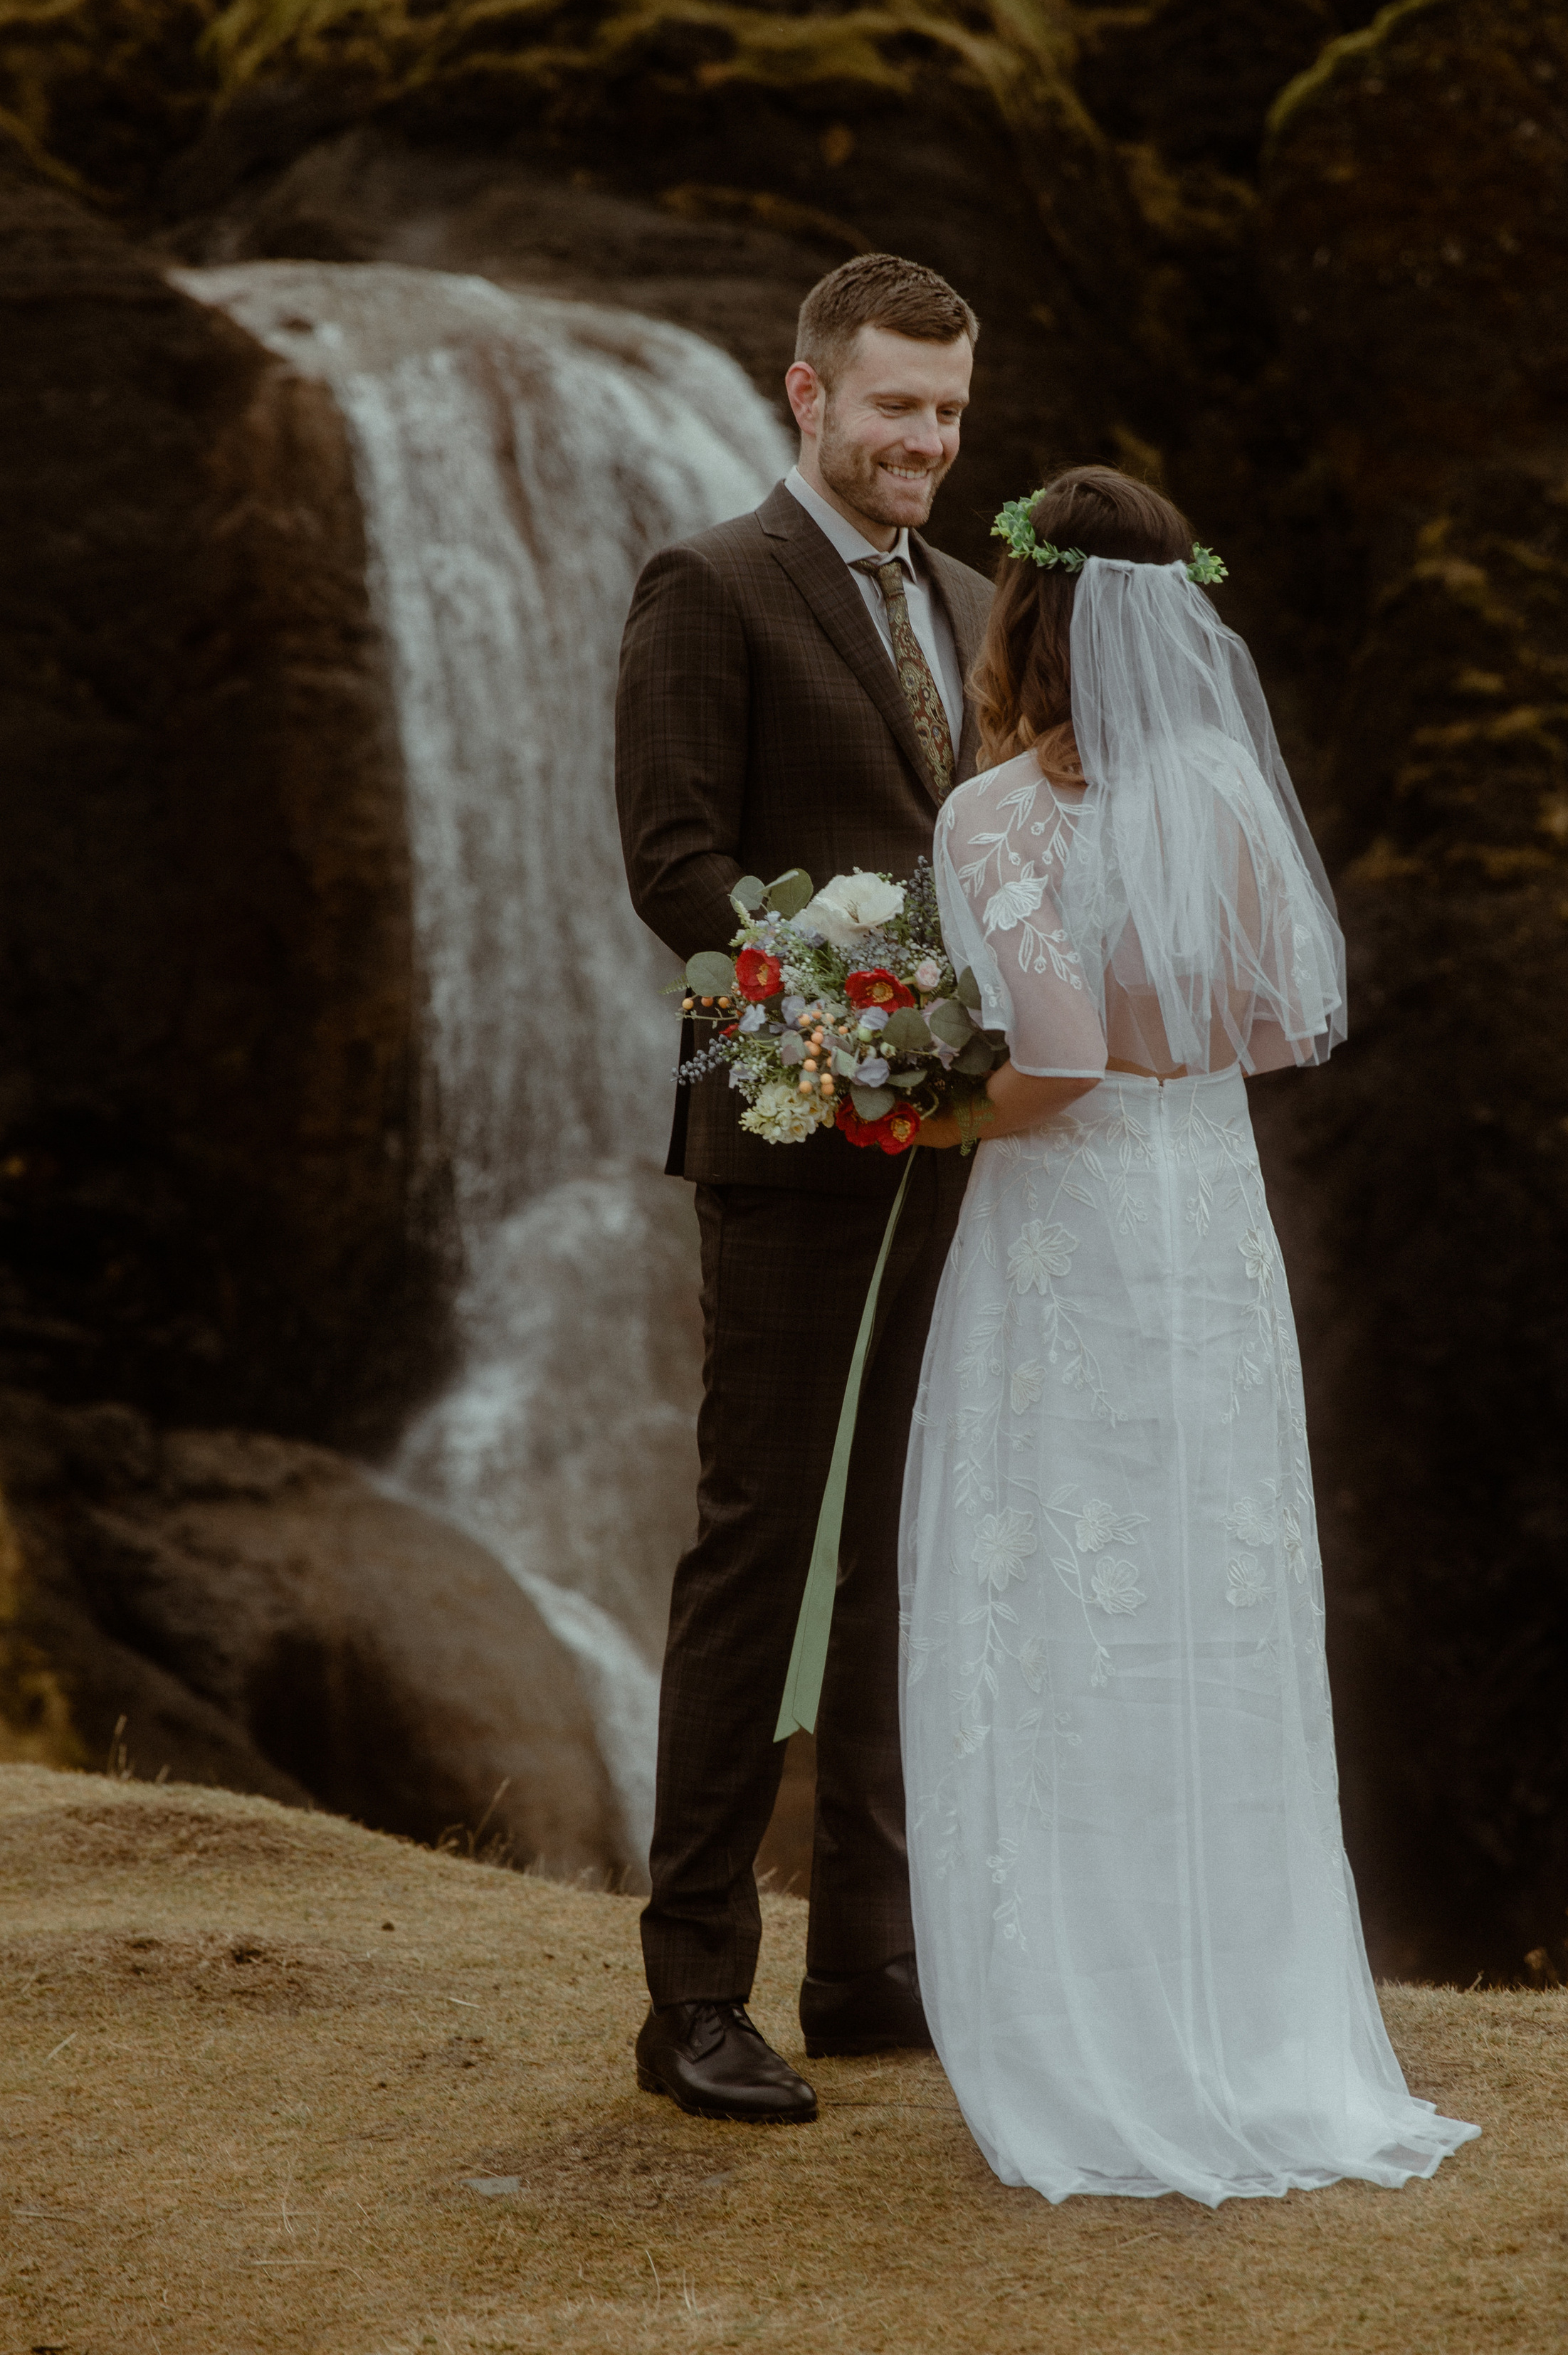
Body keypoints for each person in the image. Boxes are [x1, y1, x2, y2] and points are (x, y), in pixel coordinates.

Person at [901, 467, 1480, 2203]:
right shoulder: (1226, 787)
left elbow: (1057, 1065)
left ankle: (1092, 2033)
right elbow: (1260, 1019)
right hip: (1205, 1227)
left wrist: (906, 1118)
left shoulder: (995, 820)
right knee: (1205, 1606)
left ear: (1025, 613)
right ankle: (1247, 2020)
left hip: (1063, 1234)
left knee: (1053, 1603)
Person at [614, 253, 994, 2123]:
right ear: (807, 395)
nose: (921, 441)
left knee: (908, 1543)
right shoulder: (712, 583)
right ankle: (692, 1997)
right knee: (758, 1545)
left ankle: (867, 1964)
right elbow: (677, 871)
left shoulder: (984, 602)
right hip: (781, 1124)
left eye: (946, 413)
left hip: (959, 1147)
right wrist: (869, 1010)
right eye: (891, 408)